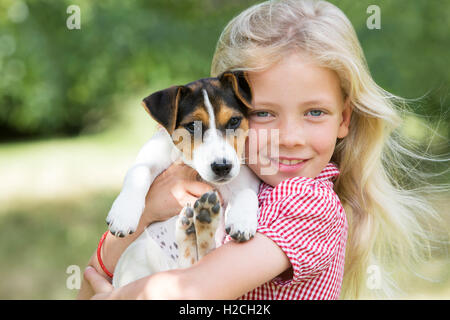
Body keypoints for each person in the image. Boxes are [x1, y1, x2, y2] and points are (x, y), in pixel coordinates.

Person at [78, 0, 444, 300]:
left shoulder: (309, 205)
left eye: (315, 112)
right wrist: (144, 215)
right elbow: (92, 284)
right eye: (264, 114)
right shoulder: (233, 184)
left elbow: (187, 293)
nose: (289, 137)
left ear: (344, 119)